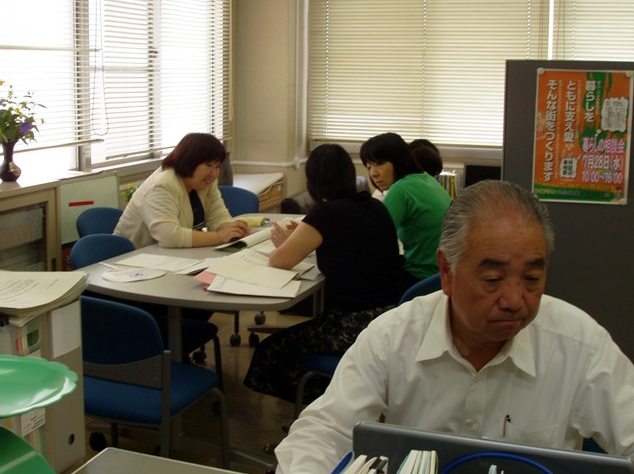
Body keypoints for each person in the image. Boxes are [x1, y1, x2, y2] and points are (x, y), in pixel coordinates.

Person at [274, 180, 634, 472]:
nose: (515, 299)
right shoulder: (393, 336)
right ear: (447, 271)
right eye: (493, 279)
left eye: (532, 278)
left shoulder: (579, 344)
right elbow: (324, 432)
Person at [243, 144, 406, 403]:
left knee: (270, 351)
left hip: (353, 324)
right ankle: (337, 392)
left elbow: (279, 260)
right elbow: (347, 244)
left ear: (313, 180)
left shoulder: (326, 213)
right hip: (390, 319)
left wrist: (284, 243)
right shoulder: (374, 205)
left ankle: (322, 401)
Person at [114, 132, 250, 249]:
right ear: (189, 161)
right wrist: (219, 236)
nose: (214, 174)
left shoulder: (204, 182)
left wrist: (231, 230)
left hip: (170, 257)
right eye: (208, 165)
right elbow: (169, 237)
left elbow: (218, 216)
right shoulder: (163, 184)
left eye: (217, 166)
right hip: (133, 258)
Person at [360, 132, 452, 288]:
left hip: (421, 278)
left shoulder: (401, 189)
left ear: (398, 160)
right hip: (441, 276)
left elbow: (371, 238)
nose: (373, 173)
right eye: (369, 167)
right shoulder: (426, 179)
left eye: (379, 164)